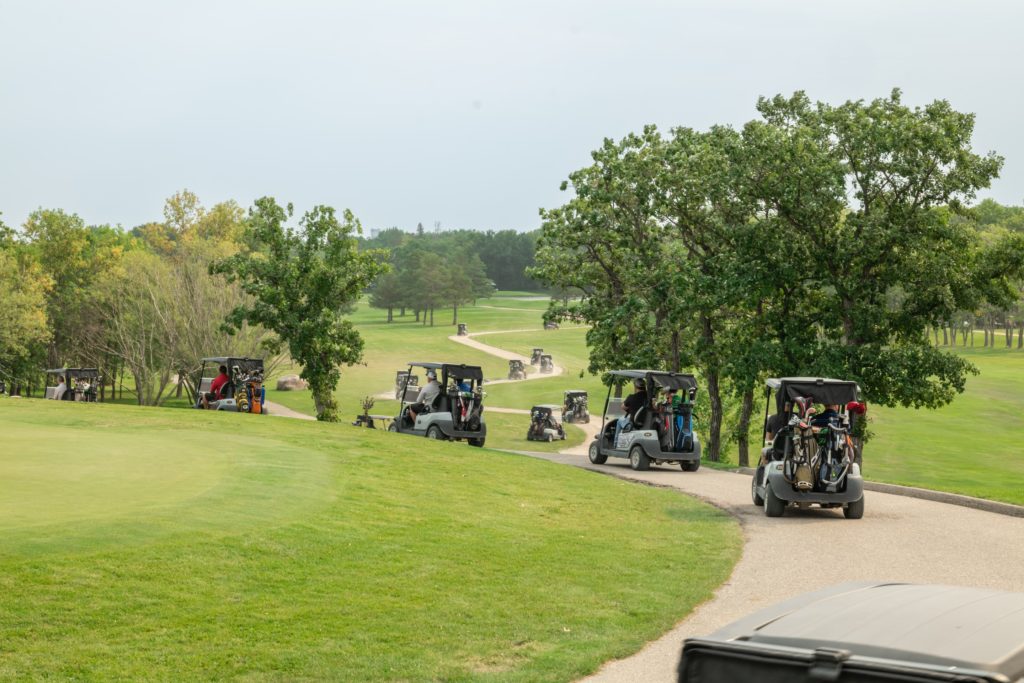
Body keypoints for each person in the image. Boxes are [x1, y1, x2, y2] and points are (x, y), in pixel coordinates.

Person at [614, 378, 648, 447]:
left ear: (635, 386)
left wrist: (630, 409)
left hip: (633, 424)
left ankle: (615, 443)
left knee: (619, 420)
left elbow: (623, 407)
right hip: (646, 422)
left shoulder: (631, 397)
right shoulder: (648, 398)